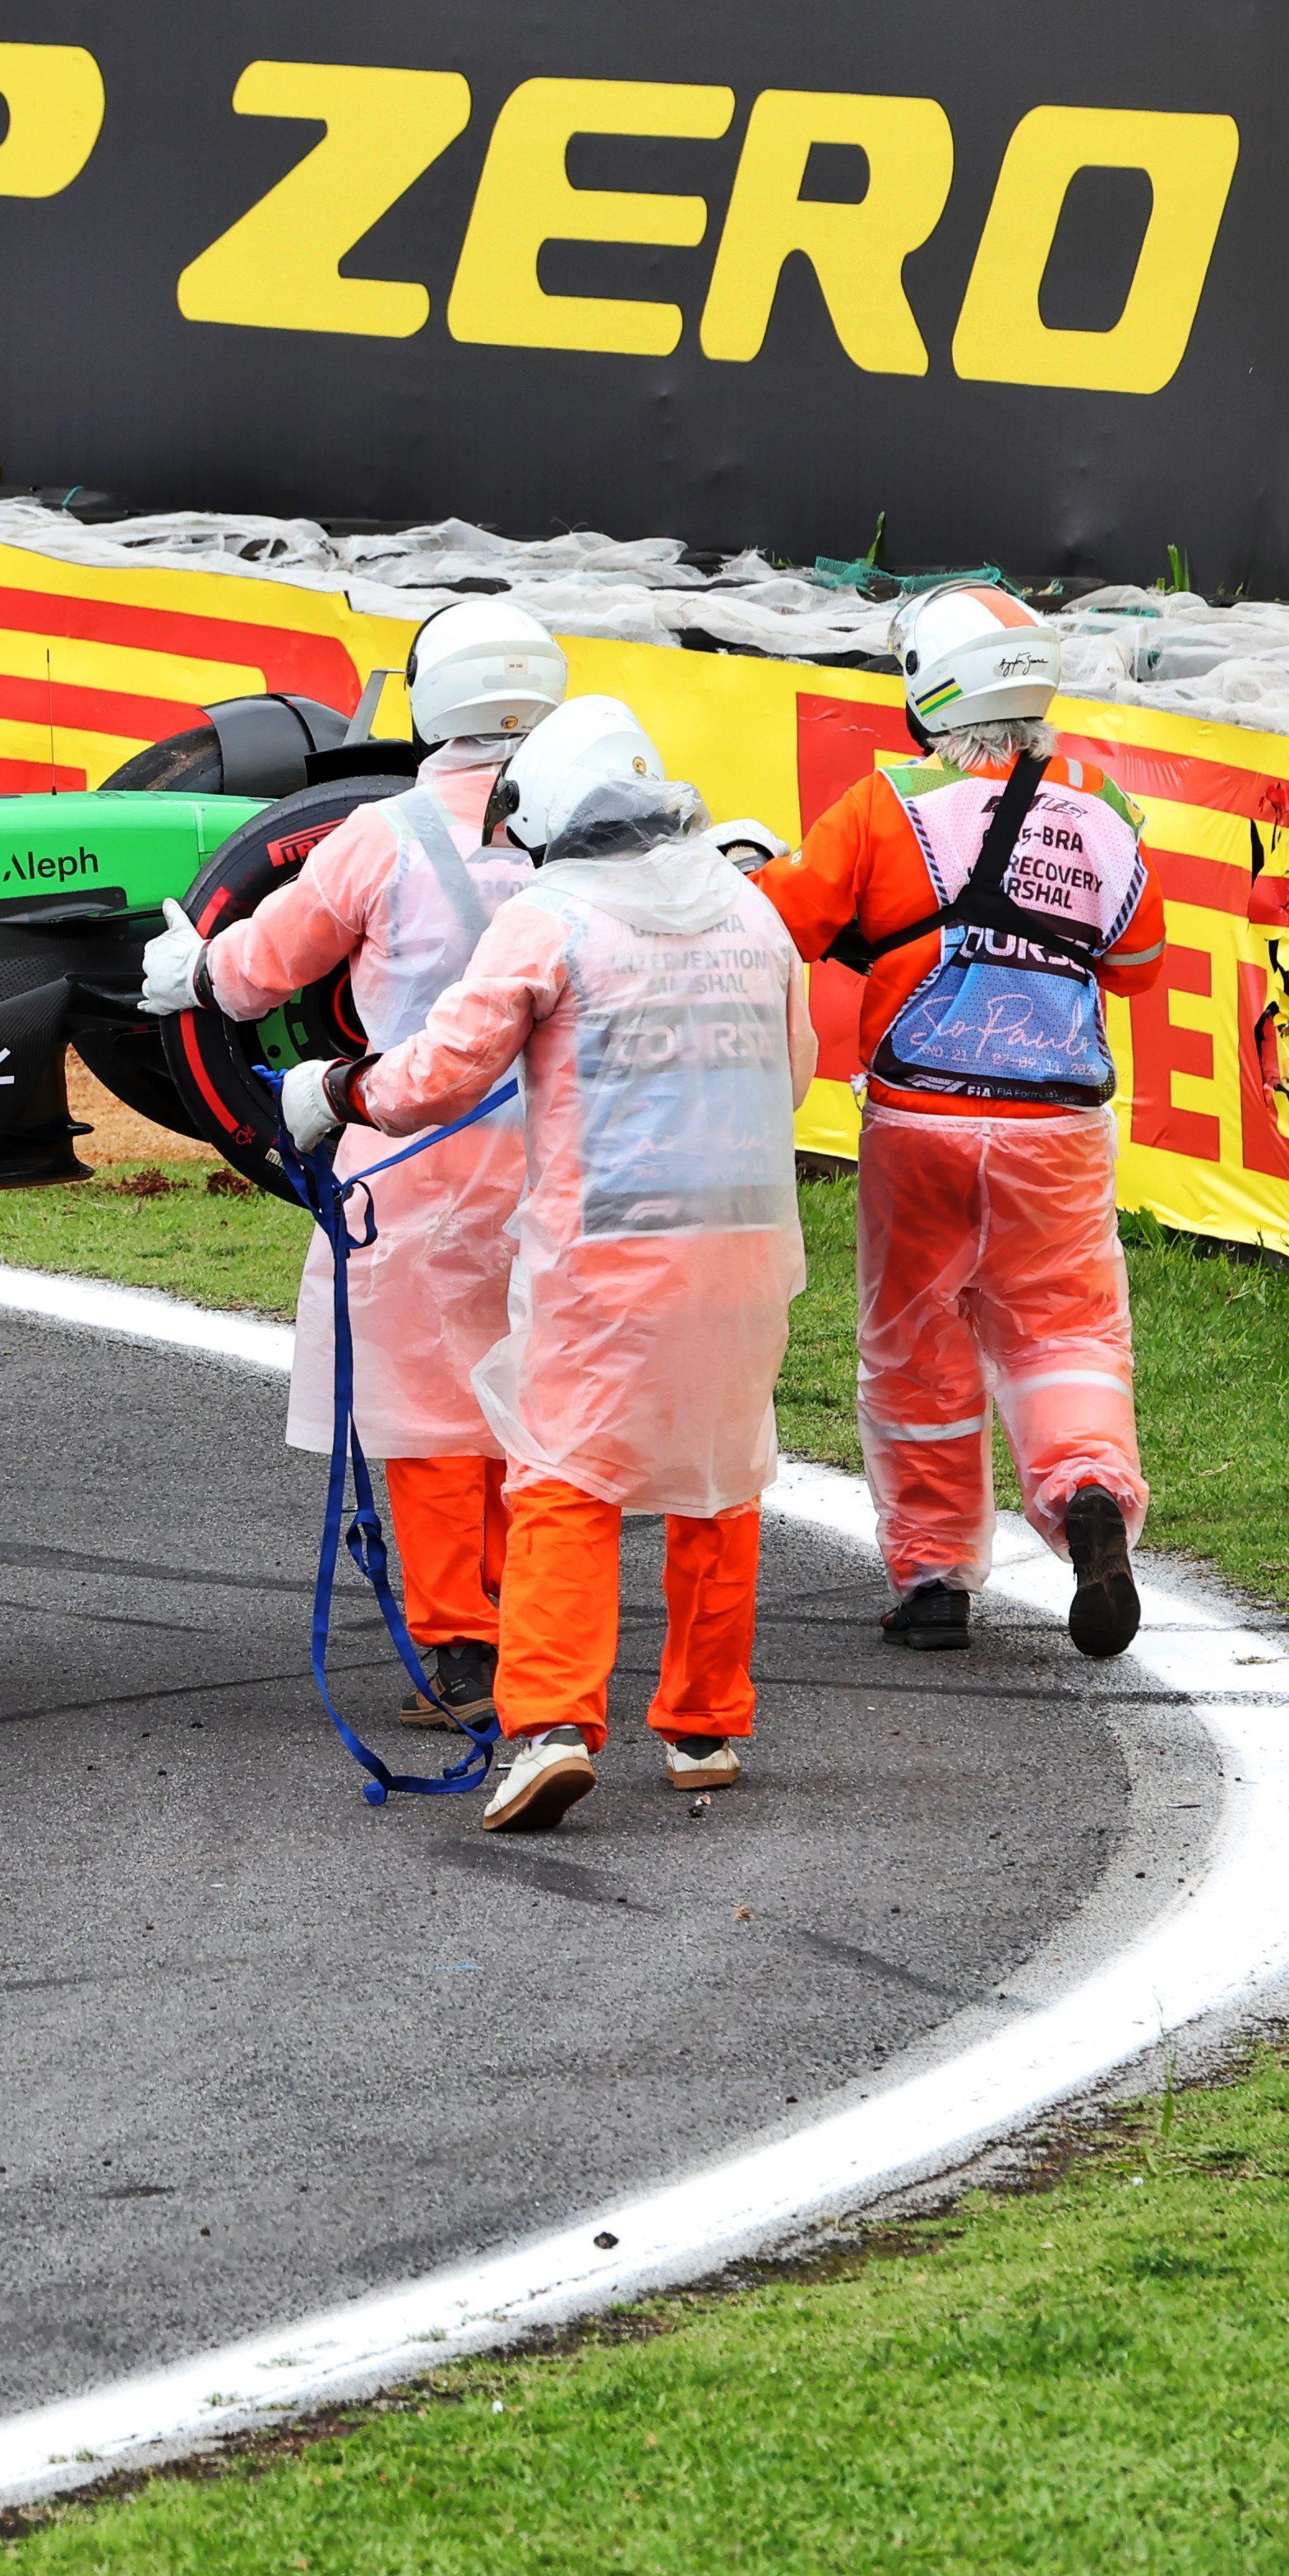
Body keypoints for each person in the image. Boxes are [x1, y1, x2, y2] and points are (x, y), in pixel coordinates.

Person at [280, 699, 812, 1834]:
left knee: (561, 1479)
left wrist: (334, 1090)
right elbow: (795, 1074)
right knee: (718, 1478)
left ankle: (550, 1723)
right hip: (748, 1249)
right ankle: (704, 1725)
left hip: (607, 1254)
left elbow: (435, 1073)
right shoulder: (750, 914)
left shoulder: (553, 920)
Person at [135, 601, 566, 1729]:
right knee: (545, 1397)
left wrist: (197, 965)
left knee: (426, 1410)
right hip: (569, 1157)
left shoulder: (380, 835)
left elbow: (253, 976)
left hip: (412, 1151)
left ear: (430, 701)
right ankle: (546, 1626)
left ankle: (463, 1646)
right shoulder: (596, 817)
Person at [744, 581, 1162, 1660]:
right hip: (1058, 1132)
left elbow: (786, 918)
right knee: (1065, 1332)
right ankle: (1085, 1488)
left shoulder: (886, 803)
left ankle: (932, 1576)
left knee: (914, 1340)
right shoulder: (1106, 812)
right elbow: (1139, 966)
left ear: (926, 693)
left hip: (915, 1121)